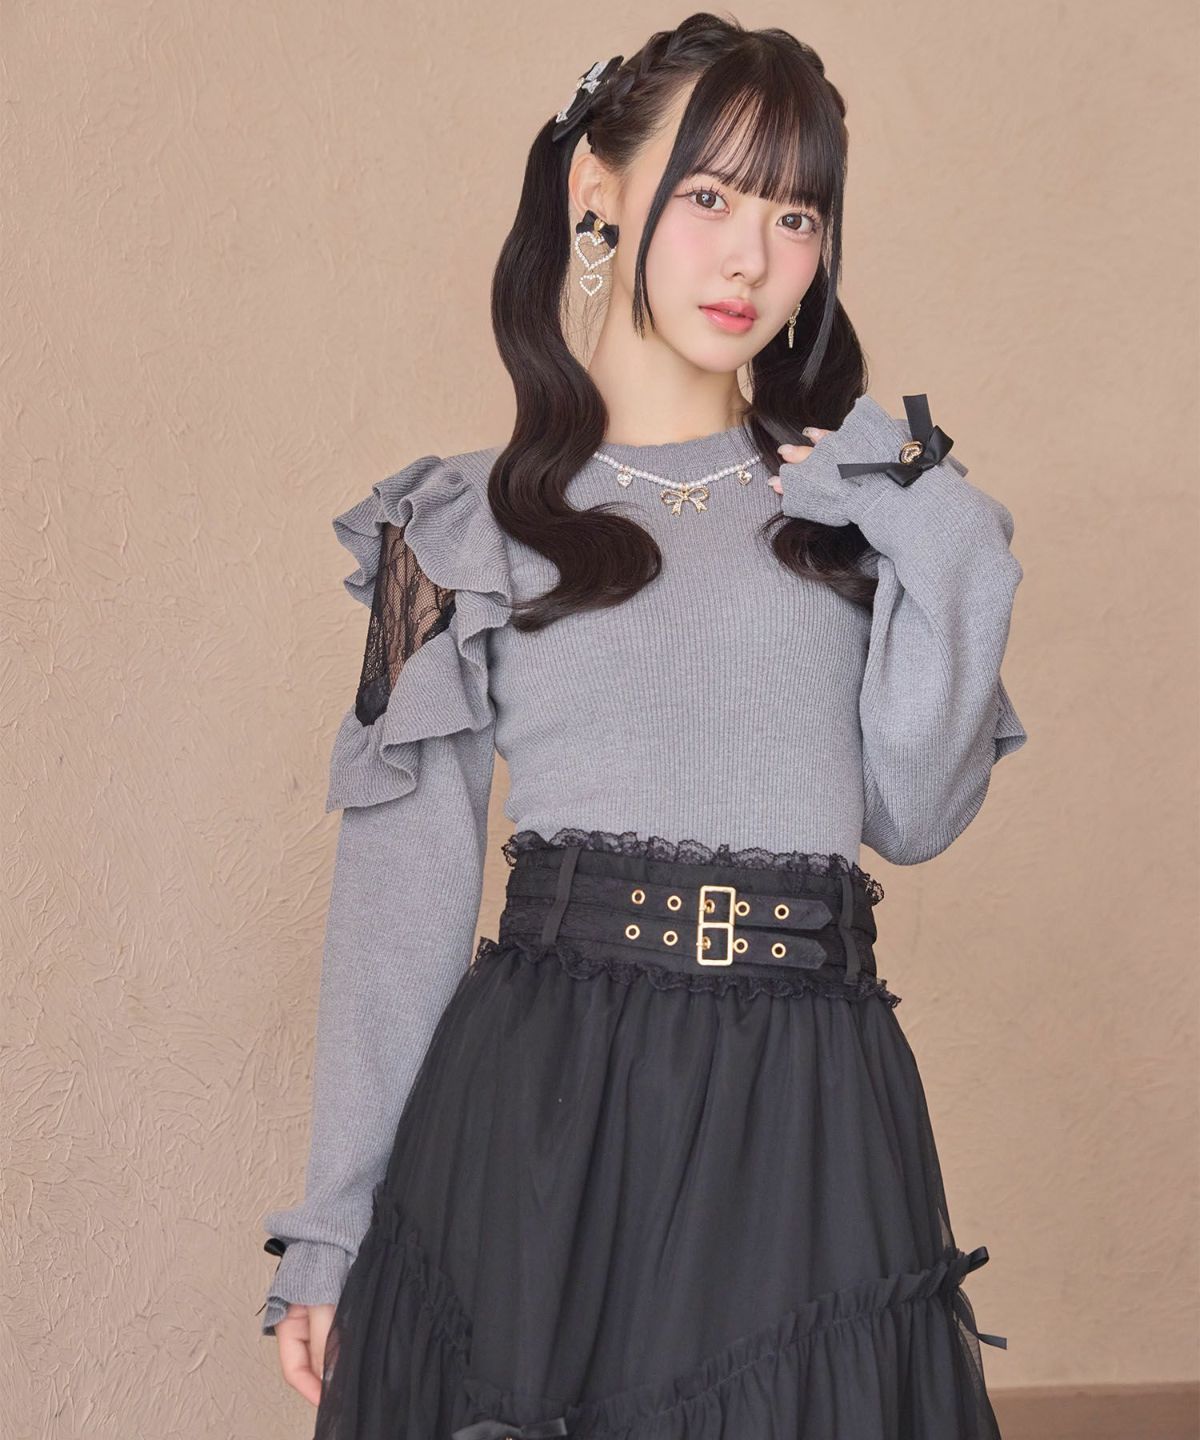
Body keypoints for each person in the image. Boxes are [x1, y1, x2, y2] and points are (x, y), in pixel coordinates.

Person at [258, 15, 1025, 1438]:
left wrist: (947, 533)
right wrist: (333, 1226)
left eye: (796, 215)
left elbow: (915, 814)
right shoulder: (456, 526)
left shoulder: (857, 510)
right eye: (712, 195)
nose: (752, 259)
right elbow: (398, 897)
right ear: (596, 190)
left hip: (803, 1117)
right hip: (540, 1117)